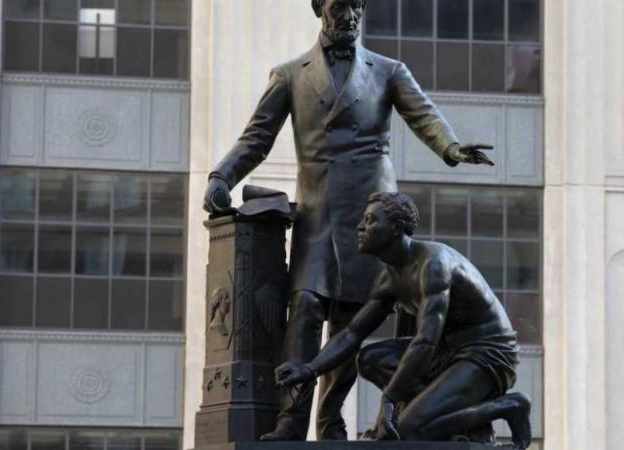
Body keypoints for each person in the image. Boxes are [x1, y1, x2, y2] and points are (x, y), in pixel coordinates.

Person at [203, 0, 494, 440]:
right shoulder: (291, 74)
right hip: (319, 213)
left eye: (357, 6)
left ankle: (330, 418)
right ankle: (291, 420)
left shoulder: (388, 70)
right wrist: (222, 175)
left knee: (352, 319)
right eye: (340, 7)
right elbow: (257, 137)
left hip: (372, 210)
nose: (350, 16)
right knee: (304, 310)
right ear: (320, 9)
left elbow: (424, 115)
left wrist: (450, 148)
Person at [274, 192, 532, 448]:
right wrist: (310, 369)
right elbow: (353, 333)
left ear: (396, 227)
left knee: (409, 431)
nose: (360, 227)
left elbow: (425, 342)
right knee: (370, 359)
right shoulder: (389, 277)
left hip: (485, 353)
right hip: (446, 352)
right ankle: (443, 418)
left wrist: (390, 397)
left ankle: (508, 406)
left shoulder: (433, 264)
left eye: (370, 220)